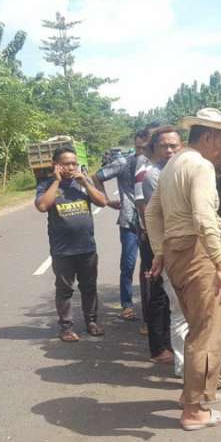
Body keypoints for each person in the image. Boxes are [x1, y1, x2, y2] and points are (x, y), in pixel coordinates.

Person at [145, 107, 221, 431]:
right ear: (210, 136)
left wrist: (160, 251)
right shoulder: (200, 166)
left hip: (176, 253)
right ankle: (194, 410)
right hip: (199, 253)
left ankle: (195, 394)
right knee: (206, 332)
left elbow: (151, 213)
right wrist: (220, 264)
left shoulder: (173, 163)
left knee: (196, 326)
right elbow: (203, 216)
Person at [35, 146, 108, 342]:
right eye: (66, 164)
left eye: (74, 163)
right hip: (63, 250)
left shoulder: (82, 183)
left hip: (87, 248)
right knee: (65, 290)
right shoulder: (47, 184)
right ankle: (66, 327)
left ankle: (91, 322)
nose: (71, 167)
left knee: (89, 287)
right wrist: (57, 181)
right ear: (56, 165)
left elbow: (102, 202)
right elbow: (42, 206)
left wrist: (85, 181)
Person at [139, 126, 190, 377]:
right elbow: (154, 215)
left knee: (173, 300)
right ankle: (159, 348)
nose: (169, 150)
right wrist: (159, 250)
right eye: (164, 146)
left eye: (174, 145)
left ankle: (171, 348)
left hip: (175, 244)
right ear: (155, 148)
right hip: (159, 243)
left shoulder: (176, 171)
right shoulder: (153, 175)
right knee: (160, 296)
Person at [93, 129, 150, 323]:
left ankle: (151, 305)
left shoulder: (158, 165)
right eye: (138, 147)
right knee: (128, 264)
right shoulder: (124, 163)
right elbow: (97, 176)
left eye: (146, 147)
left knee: (151, 266)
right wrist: (106, 201)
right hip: (130, 221)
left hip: (153, 223)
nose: (142, 151)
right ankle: (127, 305)